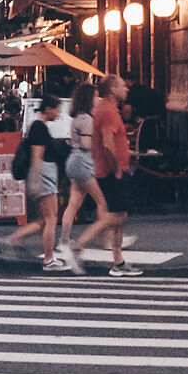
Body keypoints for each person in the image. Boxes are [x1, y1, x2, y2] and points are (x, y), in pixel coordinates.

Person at [72, 78, 140, 277]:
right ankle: (79, 244)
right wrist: (117, 167)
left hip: (107, 169)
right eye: (121, 85)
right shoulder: (109, 111)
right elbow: (108, 142)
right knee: (116, 216)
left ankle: (118, 262)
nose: (126, 88)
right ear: (112, 90)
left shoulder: (106, 110)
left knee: (119, 215)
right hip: (112, 172)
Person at [11, 95, 74, 270]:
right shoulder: (39, 127)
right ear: (48, 109)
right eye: (56, 110)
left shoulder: (39, 127)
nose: (58, 114)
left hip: (44, 174)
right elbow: (37, 156)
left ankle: (14, 239)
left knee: (45, 220)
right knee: (50, 218)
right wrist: (36, 180)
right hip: (45, 174)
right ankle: (48, 259)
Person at [54, 83, 102, 271]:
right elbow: (87, 144)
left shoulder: (76, 118)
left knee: (74, 203)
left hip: (73, 161)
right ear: (88, 98)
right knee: (103, 202)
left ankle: (64, 241)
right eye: (95, 96)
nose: (98, 99)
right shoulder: (87, 119)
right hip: (83, 162)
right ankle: (100, 238)